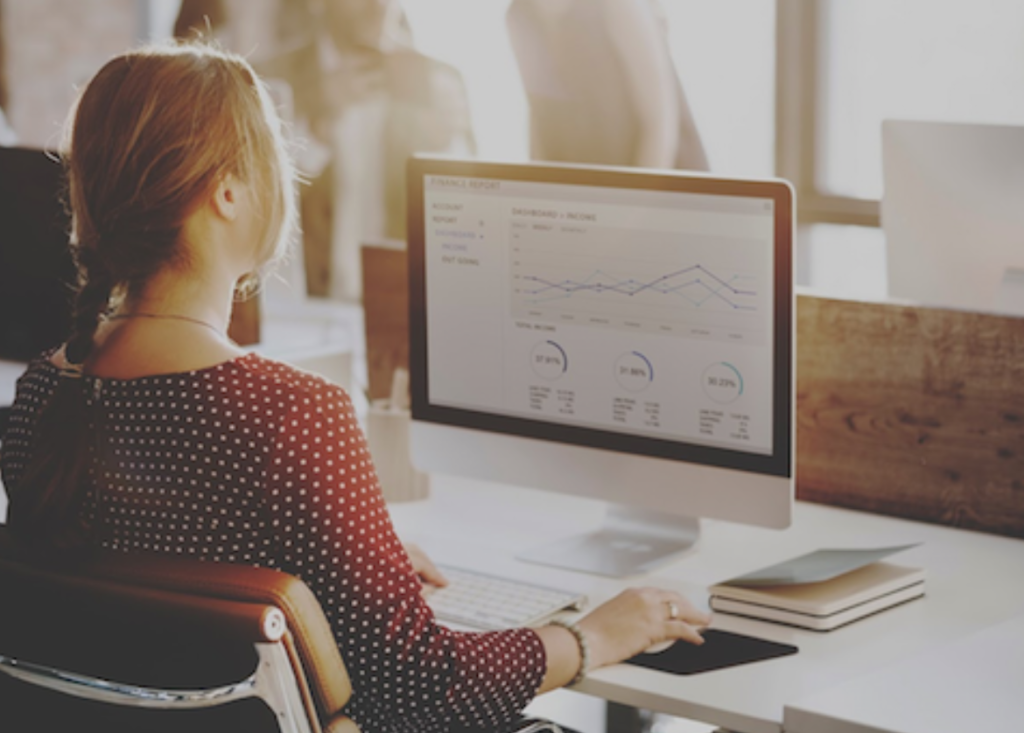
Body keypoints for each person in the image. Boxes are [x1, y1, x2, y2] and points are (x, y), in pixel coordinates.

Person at [0, 41, 710, 733]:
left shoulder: (41, 394)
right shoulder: (289, 415)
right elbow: (420, 687)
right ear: (227, 192)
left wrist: (347, 553)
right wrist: (590, 636)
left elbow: (148, 604)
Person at [506, 0, 708, 171]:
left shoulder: (618, 5)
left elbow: (660, 123)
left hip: (659, 175)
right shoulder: (518, 15)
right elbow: (540, 116)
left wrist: (631, 206)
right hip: (588, 187)